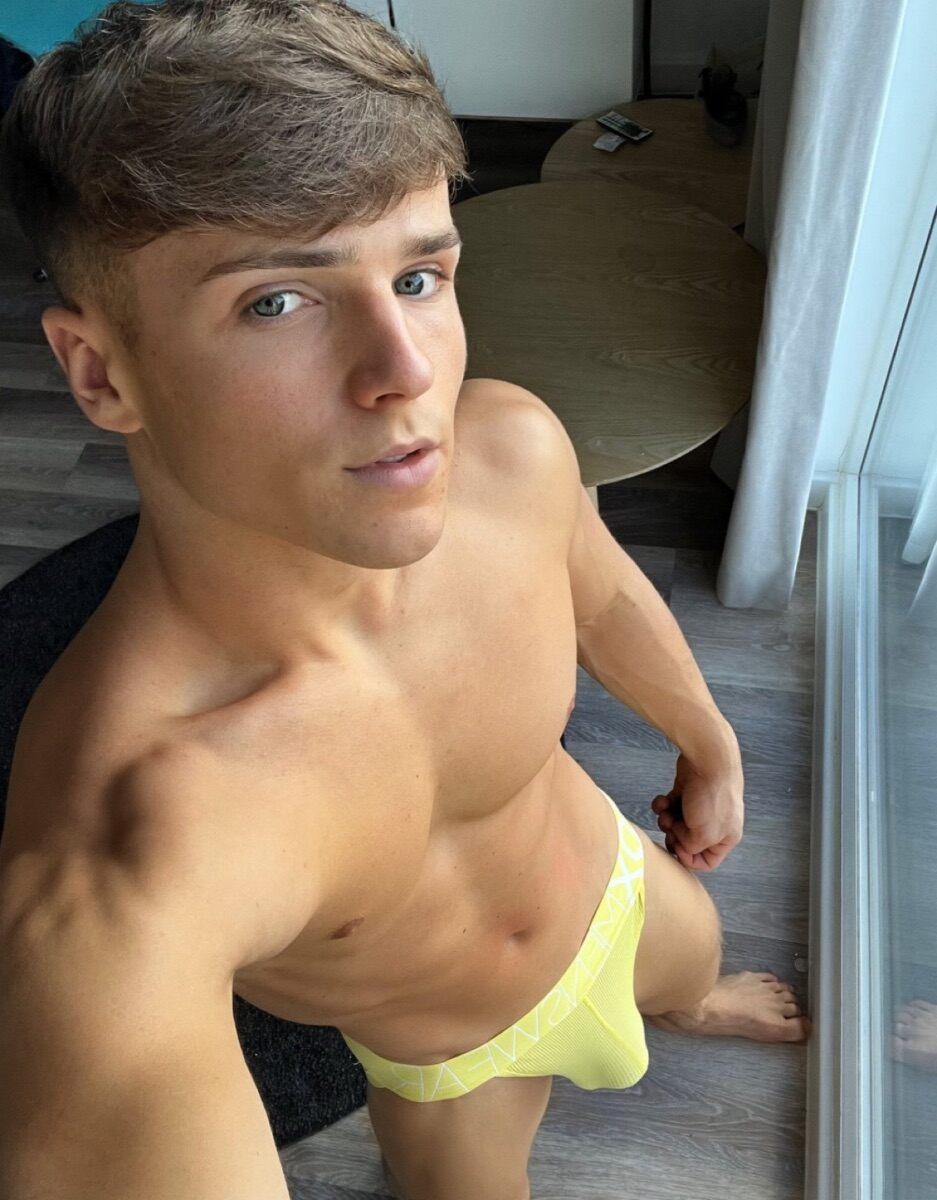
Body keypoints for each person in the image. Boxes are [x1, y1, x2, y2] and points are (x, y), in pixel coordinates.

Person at [0, 3, 809, 1198]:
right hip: (456, 1058)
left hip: (617, 888)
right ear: (100, 371)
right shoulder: (131, 854)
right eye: (277, 301)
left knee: (693, 962)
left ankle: (691, 1003)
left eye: (420, 275)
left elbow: (594, 589)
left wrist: (706, 735)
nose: (408, 373)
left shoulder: (513, 449)